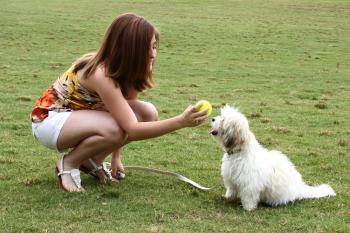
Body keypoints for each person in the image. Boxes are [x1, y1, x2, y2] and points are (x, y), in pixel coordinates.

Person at [31, 13, 208, 192]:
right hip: (49, 120)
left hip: (81, 117)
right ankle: (69, 164)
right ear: (131, 48)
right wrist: (181, 122)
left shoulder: (132, 69)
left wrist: (116, 157)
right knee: (116, 129)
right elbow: (130, 128)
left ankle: (92, 160)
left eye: (155, 46)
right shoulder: (101, 73)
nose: (153, 54)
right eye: (148, 47)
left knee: (148, 113)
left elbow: (128, 114)